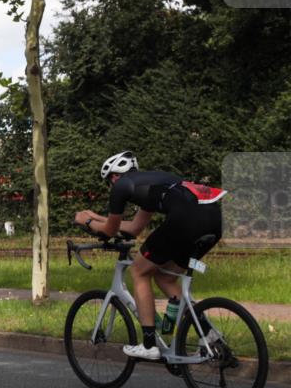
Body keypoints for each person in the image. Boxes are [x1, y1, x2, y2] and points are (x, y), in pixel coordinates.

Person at [74, 151, 225, 360]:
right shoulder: (154, 182)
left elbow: (110, 230)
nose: (111, 186)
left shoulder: (121, 186)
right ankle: (209, 335)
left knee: (139, 271)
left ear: (114, 176)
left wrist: (87, 221)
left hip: (185, 219)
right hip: (213, 219)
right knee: (166, 277)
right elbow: (134, 228)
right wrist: (97, 217)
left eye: (109, 181)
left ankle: (148, 345)